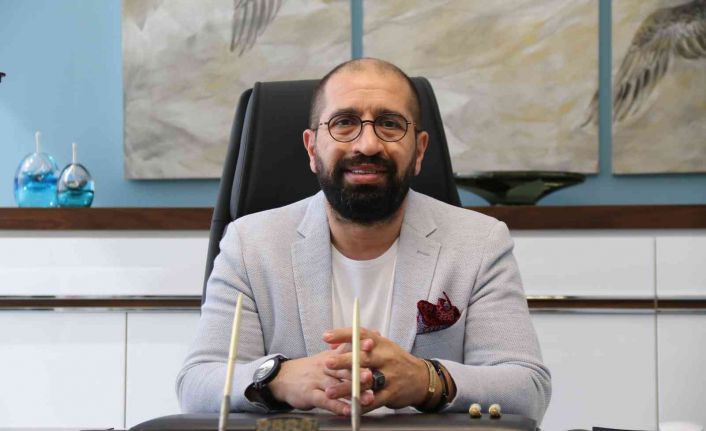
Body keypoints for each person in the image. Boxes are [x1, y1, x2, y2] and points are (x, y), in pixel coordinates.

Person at [176, 58, 551, 422]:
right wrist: (277, 378)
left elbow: (527, 388)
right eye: (344, 123)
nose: (368, 144)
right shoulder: (249, 243)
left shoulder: (480, 243)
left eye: (389, 124)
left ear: (419, 150)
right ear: (312, 148)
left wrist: (427, 379)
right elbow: (196, 382)